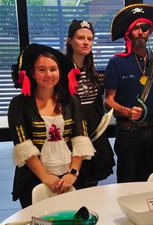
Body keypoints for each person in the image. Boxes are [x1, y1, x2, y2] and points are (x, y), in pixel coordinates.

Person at [9, 43, 95, 208]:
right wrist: (45, 176)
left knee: (72, 221)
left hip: (70, 177)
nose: (48, 74)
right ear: (33, 73)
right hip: (34, 178)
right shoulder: (19, 104)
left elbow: (80, 138)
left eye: (53, 69)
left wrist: (73, 173)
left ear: (59, 72)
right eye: (42, 69)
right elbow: (23, 145)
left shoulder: (71, 100)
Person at [104, 4, 153, 183]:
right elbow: (108, 101)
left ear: (150, 31)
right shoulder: (116, 63)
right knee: (128, 180)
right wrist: (127, 111)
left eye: (145, 27)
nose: (140, 32)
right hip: (128, 131)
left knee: (151, 179)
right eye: (135, 28)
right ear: (129, 32)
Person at [66, 19, 115, 188]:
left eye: (90, 38)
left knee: (92, 183)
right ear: (70, 40)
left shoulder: (93, 71)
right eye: (81, 38)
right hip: (72, 132)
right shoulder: (61, 71)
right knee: (74, 182)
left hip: (95, 131)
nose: (86, 42)